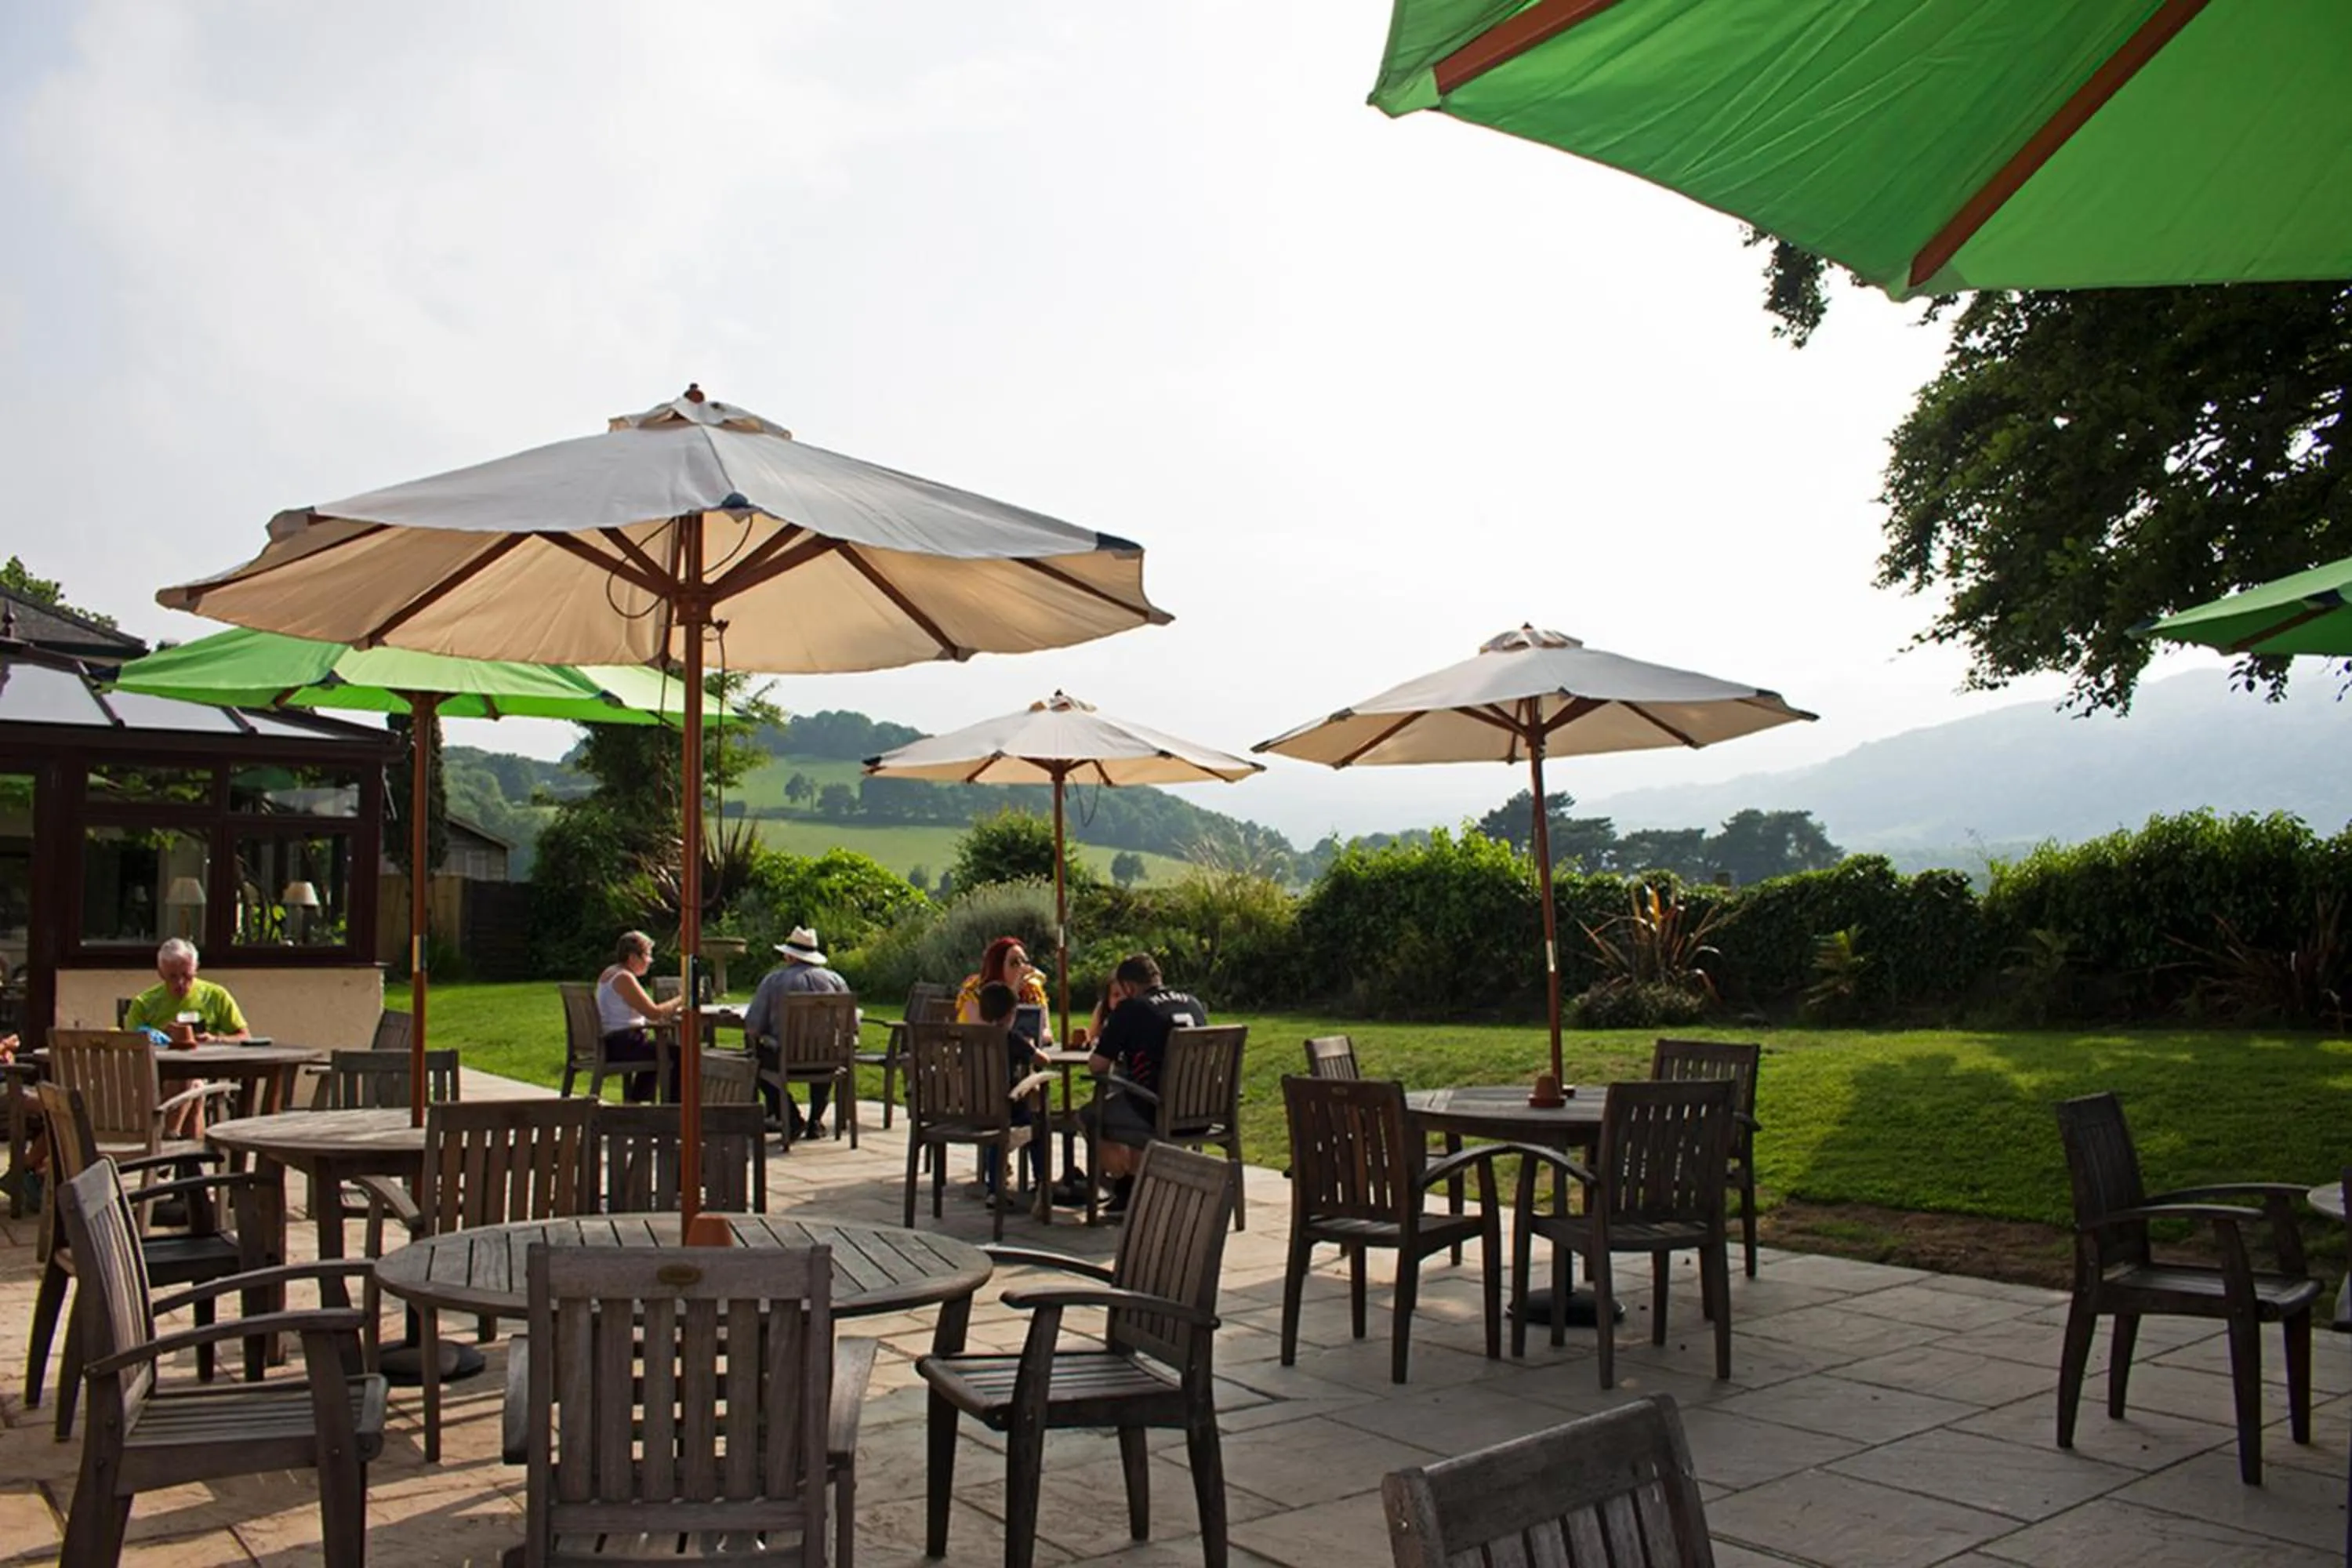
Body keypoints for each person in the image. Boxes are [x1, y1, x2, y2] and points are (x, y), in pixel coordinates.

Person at [1080, 953, 1205, 1218]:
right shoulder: (1193, 1004)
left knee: (1091, 1115)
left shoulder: (1132, 1009)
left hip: (1158, 1111)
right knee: (1131, 1100)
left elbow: (1098, 1066)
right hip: (1201, 1112)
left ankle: (1125, 1182)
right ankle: (1136, 1189)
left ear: (1128, 987)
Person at [124, 938, 248, 1138]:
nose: (180, 984)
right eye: (172, 977)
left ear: (196, 969)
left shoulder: (215, 995)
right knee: (194, 1087)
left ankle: (167, 1137)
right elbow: (129, 1043)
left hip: (204, 1068)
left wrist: (215, 1039)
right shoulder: (145, 1003)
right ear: (161, 973)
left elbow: (244, 1036)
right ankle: (188, 1157)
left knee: (193, 1081)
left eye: (186, 976)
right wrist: (160, 1036)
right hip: (156, 1074)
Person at [742, 925, 851, 1136]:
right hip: (826, 1061)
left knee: (753, 1062)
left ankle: (790, 1117)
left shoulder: (773, 981)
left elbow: (753, 1026)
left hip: (786, 1058)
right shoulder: (836, 980)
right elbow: (851, 1024)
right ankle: (815, 1121)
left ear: (789, 956)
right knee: (824, 1053)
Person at [970, 979, 1050, 1207]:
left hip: (978, 1110)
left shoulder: (974, 1037)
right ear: (1011, 1013)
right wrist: (1031, 1045)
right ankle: (1041, 1182)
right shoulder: (1012, 1038)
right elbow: (1043, 1060)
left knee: (996, 1136)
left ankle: (994, 1189)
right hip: (1009, 1111)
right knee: (1038, 1128)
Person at [595, 930, 685, 1104]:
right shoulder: (623, 978)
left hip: (612, 1041)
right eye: (647, 955)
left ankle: (636, 1104)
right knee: (678, 1055)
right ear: (633, 957)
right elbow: (654, 1012)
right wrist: (684, 998)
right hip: (621, 1044)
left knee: (658, 1050)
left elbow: (636, 1013)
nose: (650, 961)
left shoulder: (610, 972)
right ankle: (675, 1109)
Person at [955, 936, 1049, 1030]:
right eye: (1014, 963)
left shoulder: (1032, 990)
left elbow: (1046, 1032)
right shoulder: (974, 990)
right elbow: (986, 1032)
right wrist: (1012, 994)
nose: (1022, 969)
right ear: (997, 967)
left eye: (1025, 962)